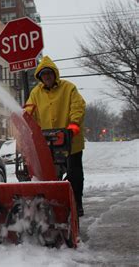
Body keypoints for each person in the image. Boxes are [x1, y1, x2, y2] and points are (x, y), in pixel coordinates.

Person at [25, 56, 86, 217]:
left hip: (71, 141)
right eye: (43, 74)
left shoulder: (68, 88)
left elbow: (78, 106)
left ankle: (77, 202)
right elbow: (29, 110)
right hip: (47, 142)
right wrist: (26, 124)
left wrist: (73, 125)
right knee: (49, 174)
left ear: (55, 74)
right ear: (39, 77)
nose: (47, 77)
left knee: (74, 173)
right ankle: (51, 205)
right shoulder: (36, 93)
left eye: (49, 73)